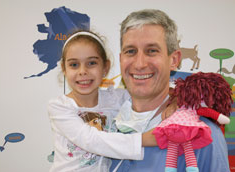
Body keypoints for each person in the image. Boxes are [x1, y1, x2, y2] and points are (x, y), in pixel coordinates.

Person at [110, 9, 230, 172]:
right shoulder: (104, 122)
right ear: (121, 59)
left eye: (152, 51)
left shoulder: (202, 133)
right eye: (130, 51)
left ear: (174, 60)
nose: (139, 64)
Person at [48, 30, 168, 172]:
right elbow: (91, 140)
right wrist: (144, 140)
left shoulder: (116, 98)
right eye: (74, 65)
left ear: (105, 67)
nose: (82, 71)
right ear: (64, 69)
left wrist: (174, 100)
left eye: (91, 63)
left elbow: (150, 95)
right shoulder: (60, 107)